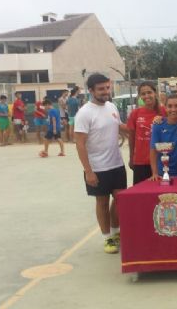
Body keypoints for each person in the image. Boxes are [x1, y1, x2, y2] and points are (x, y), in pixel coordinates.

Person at [74, 73, 127, 255]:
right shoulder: (84, 113)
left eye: (107, 87)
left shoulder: (111, 106)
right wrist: (88, 171)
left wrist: (147, 128)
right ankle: (107, 238)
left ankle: (116, 231)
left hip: (117, 164)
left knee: (120, 200)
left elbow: (121, 127)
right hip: (97, 167)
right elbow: (80, 143)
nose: (106, 92)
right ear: (91, 91)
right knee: (102, 203)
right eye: (101, 89)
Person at [128, 81, 166, 185]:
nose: (146, 96)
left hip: (161, 161)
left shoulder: (165, 111)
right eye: (143, 94)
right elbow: (131, 138)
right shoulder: (135, 114)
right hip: (141, 162)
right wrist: (131, 157)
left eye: (149, 92)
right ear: (140, 96)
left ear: (155, 93)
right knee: (141, 196)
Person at [149, 94, 177, 180]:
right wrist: (154, 173)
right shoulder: (158, 125)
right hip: (162, 174)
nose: (173, 109)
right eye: (170, 106)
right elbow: (153, 150)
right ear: (165, 108)